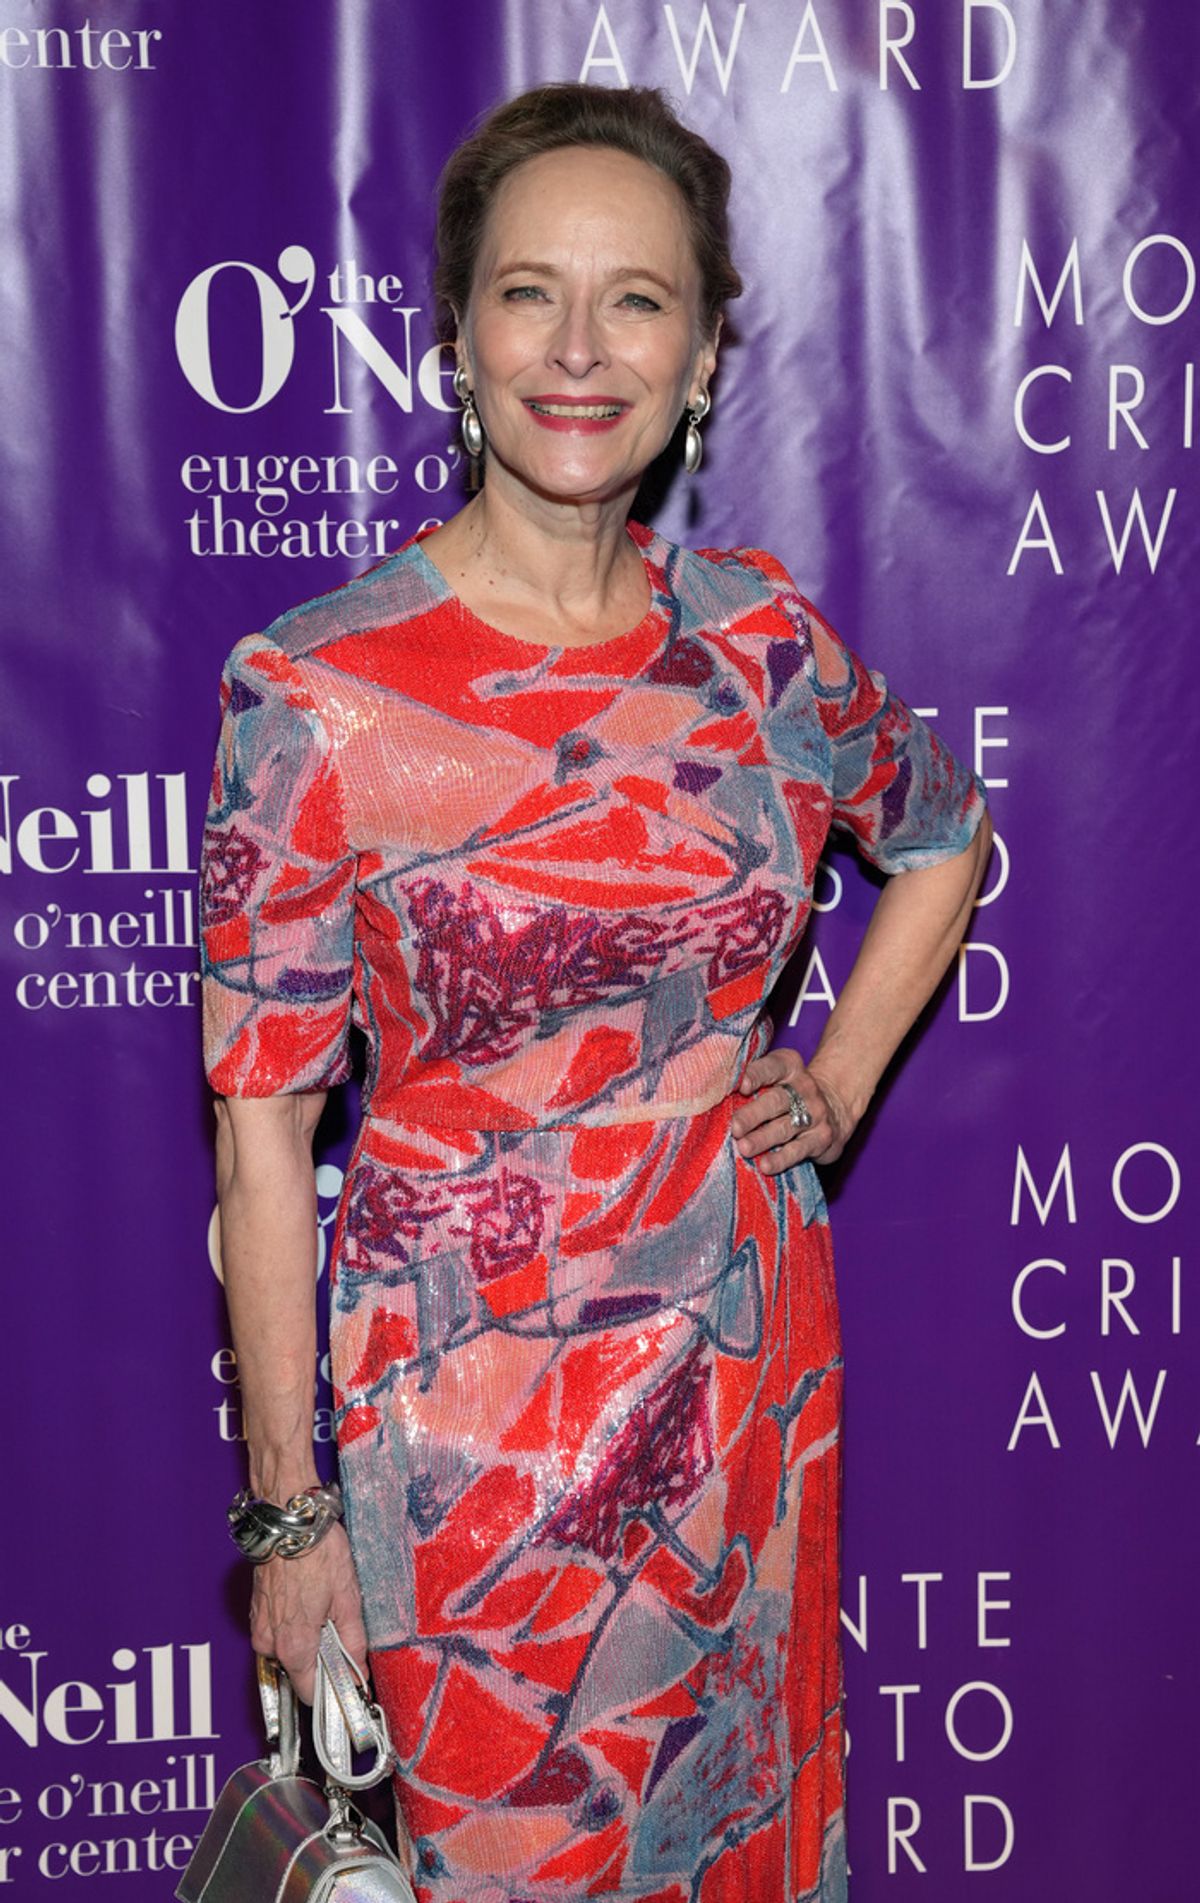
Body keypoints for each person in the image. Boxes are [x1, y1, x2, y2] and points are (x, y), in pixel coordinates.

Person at [201, 81, 990, 1903]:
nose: (579, 350)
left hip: (751, 1385)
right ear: (456, 338)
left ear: (707, 352)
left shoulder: (762, 645)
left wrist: (843, 1072)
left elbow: (941, 834)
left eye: (636, 300)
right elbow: (261, 1137)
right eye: (527, 294)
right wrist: (288, 1514)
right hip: (464, 1449)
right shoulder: (315, 698)